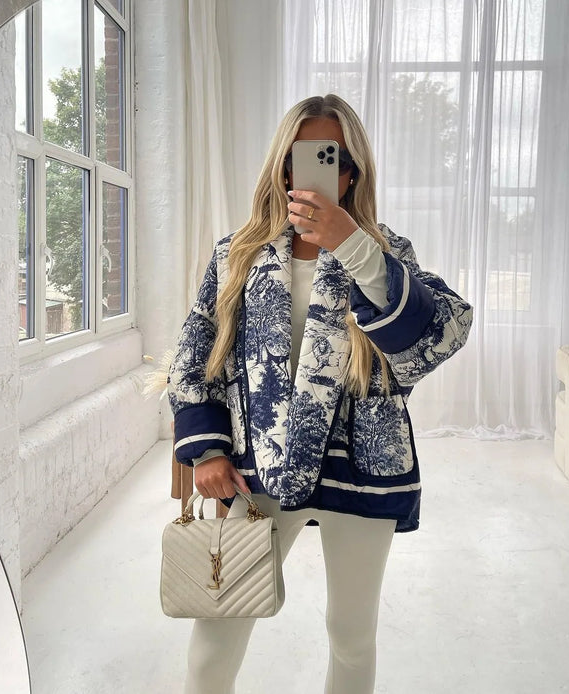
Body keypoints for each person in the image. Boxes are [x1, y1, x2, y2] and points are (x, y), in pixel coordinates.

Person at [168, 94, 473, 694]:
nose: (307, 173)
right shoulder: (239, 254)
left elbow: (443, 333)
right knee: (219, 629)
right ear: (280, 167)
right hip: (262, 469)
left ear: (351, 172)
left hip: (362, 467)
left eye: (329, 158)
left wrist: (354, 248)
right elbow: (195, 353)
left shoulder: (384, 252)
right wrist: (206, 449)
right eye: (297, 158)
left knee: (351, 635)